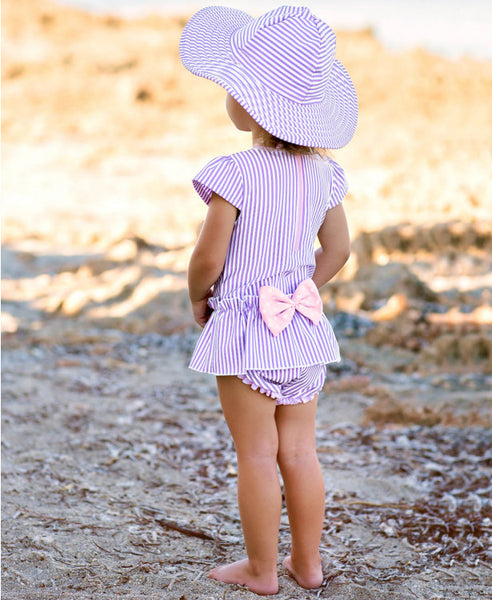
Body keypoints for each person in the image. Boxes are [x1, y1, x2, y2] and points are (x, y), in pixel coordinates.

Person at [179, 5, 358, 596]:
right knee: (300, 452)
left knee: (256, 455)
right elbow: (338, 247)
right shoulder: (323, 175)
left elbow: (209, 258)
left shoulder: (232, 173)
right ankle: (308, 565)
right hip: (301, 328)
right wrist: (308, 289)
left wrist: (200, 299)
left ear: (251, 104)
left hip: (245, 327)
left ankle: (261, 571)